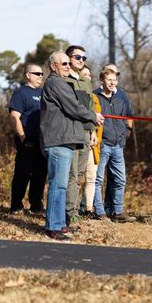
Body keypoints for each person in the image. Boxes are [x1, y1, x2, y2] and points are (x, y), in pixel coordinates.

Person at [40, 51, 104, 240]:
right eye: (64, 63)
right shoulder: (56, 83)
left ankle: (60, 224)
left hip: (65, 140)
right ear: (53, 66)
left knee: (62, 185)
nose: (69, 66)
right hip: (58, 141)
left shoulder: (60, 82)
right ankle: (53, 227)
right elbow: (72, 106)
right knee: (58, 186)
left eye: (69, 63)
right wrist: (93, 116)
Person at [93, 68, 134, 223]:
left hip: (118, 145)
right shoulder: (95, 97)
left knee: (120, 179)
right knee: (98, 180)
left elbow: (126, 117)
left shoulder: (120, 98)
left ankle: (118, 211)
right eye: (109, 79)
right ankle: (99, 211)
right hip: (102, 144)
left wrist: (124, 135)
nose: (112, 83)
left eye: (115, 80)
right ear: (102, 80)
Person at [8, 64, 47, 215]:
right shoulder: (21, 93)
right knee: (22, 173)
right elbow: (14, 117)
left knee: (40, 174)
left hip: (43, 140)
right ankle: (16, 206)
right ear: (28, 75)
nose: (40, 76)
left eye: (42, 74)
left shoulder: (44, 93)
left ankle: (36, 206)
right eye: (37, 73)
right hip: (27, 139)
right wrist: (23, 137)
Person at [64, 45, 96, 225]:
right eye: (78, 57)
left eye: (84, 58)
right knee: (72, 175)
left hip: (85, 133)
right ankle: (68, 212)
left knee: (80, 175)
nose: (81, 61)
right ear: (68, 58)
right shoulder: (63, 80)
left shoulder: (86, 82)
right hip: (70, 133)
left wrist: (92, 131)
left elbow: (90, 108)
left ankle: (74, 209)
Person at [79, 65, 103, 216]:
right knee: (76, 177)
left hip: (94, 141)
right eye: (85, 74)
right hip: (79, 139)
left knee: (91, 177)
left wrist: (95, 134)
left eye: (89, 75)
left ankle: (88, 208)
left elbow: (97, 119)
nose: (88, 77)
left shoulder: (94, 98)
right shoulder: (75, 94)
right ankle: (74, 208)